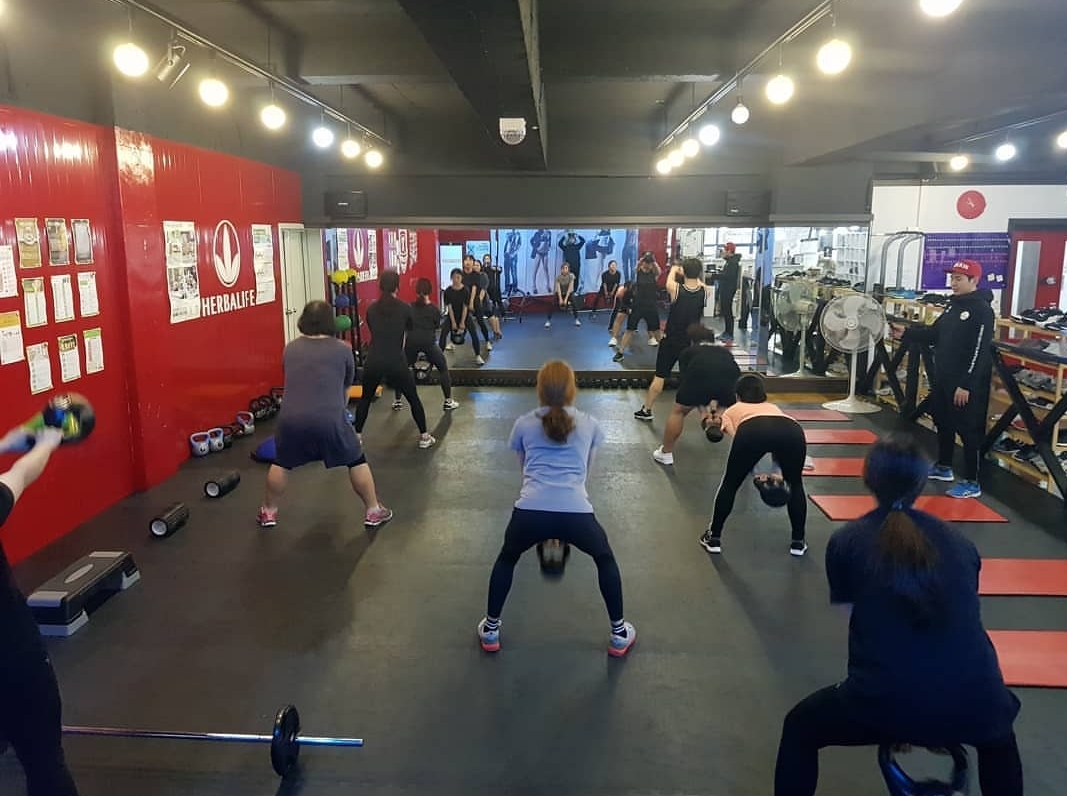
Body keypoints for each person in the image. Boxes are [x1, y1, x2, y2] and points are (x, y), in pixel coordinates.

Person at [773, 434, 1023, 796]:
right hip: (978, 697)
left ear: (868, 478)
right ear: (922, 481)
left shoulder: (846, 541)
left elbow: (855, 623)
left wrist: (903, 717)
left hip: (884, 698)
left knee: (800, 728)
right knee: (998, 740)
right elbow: (964, 615)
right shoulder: (960, 543)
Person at [476, 360, 636, 657]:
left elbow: (525, 470)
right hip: (576, 512)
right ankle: (619, 634)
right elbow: (586, 473)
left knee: (507, 558)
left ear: (539, 389)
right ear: (572, 389)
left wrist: (545, 515)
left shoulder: (523, 423)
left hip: (529, 511)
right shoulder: (590, 423)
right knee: (604, 558)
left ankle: (491, 630)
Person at [260, 300, 393, 528]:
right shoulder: (343, 349)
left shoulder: (290, 348)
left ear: (303, 320)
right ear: (330, 322)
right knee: (356, 459)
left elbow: (292, 379)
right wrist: (340, 416)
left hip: (290, 419)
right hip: (329, 419)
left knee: (282, 462)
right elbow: (346, 387)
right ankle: (373, 510)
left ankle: (268, 512)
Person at [0, 424, 81, 796]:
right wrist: (47, 442)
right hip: (11, 655)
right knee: (45, 763)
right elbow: (22, 473)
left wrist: (5, 443)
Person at [894, 259, 994, 499]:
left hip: (966, 383)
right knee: (943, 421)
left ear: (974, 280)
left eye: (959, 279)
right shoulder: (952, 307)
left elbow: (980, 351)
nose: (953, 283)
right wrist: (906, 333)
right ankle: (944, 466)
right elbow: (934, 334)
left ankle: (972, 482)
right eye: (952, 278)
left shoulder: (982, 310)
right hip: (944, 378)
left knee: (968, 431)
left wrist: (966, 384)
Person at [700, 373, 808, 556]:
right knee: (796, 484)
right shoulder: (773, 407)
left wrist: (711, 425)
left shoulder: (733, 410)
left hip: (752, 430)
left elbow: (732, 436)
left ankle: (714, 538)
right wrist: (776, 470)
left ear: (737, 396)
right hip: (792, 430)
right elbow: (775, 442)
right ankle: (798, 542)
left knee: (730, 484)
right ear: (763, 395)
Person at [353, 271, 437, 450]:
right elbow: (409, 327)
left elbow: (374, 328)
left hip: (374, 359)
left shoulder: (372, 309)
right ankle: (424, 436)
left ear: (380, 286)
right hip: (395, 360)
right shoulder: (405, 308)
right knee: (413, 398)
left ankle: (356, 437)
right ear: (397, 287)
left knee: (365, 398)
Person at [631, 257, 709, 422]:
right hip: (691, 342)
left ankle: (646, 409)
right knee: (692, 378)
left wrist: (675, 268)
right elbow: (700, 283)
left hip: (672, 340)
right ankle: (706, 415)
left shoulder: (676, 289)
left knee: (660, 376)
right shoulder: (705, 291)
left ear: (683, 272)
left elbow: (669, 280)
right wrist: (692, 272)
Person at [652, 323, 741, 466]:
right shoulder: (725, 353)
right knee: (726, 402)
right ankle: (719, 418)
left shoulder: (688, 352)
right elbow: (732, 379)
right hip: (730, 382)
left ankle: (666, 453)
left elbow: (689, 383)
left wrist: (704, 412)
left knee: (678, 412)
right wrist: (719, 412)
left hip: (699, 377)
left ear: (693, 340)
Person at [392, 277, 460, 413]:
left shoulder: (409, 308)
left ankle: (397, 401)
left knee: (401, 370)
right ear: (430, 291)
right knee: (443, 368)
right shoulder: (434, 310)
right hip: (428, 343)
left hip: (411, 343)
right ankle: (448, 401)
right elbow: (436, 326)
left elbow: (405, 327)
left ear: (416, 291)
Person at [612, 252, 662, 360]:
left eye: (649, 263)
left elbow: (658, 270)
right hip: (637, 306)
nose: (647, 265)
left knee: (657, 331)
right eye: (646, 263)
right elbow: (636, 267)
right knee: (629, 329)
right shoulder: (638, 271)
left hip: (651, 307)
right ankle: (620, 352)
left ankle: (665, 353)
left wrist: (653, 260)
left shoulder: (654, 274)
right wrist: (643, 259)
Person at [440, 267, 485, 366]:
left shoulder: (465, 290)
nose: (456, 280)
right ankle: (439, 357)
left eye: (458, 277)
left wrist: (462, 322)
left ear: (461, 278)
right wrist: (453, 322)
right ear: (451, 278)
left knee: (474, 333)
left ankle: (478, 356)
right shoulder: (448, 291)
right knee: (443, 333)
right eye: (454, 277)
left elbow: (465, 307)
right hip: (452, 315)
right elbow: (449, 307)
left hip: (464, 315)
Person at [462, 255, 493, 351]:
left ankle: (487, 341)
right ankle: (455, 341)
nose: (468, 262)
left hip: (475, 300)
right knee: (464, 321)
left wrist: (472, 303)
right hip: (465, 300)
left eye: (470, 260)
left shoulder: (476, 275)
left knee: (480, 321)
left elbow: (474, 289)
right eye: (466, 260)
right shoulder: (461, 274)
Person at [716, 242, 742, 343]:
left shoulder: (733, 263)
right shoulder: (729, 262)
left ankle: (730, 334)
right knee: (725, 311)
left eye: (724, 250)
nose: (723, 252)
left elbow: (728, 277)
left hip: (729, 290)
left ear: (729, 251)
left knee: (728, 311)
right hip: (726, 289)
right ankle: (726, 332)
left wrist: (714, 276)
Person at [545, 263, 581, 328]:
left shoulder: (571, 276)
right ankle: (548, 320)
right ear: (561, 269)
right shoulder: (558, 277)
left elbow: (570, 288)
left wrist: (566, 299)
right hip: (560, 293)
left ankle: (576, 319)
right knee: (553, 303)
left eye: (566, 268)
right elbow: (558, 289)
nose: (564, 270)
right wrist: (560, 299)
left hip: (569, 293)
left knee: (574, 302)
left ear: (568, 269)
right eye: (563, 268)